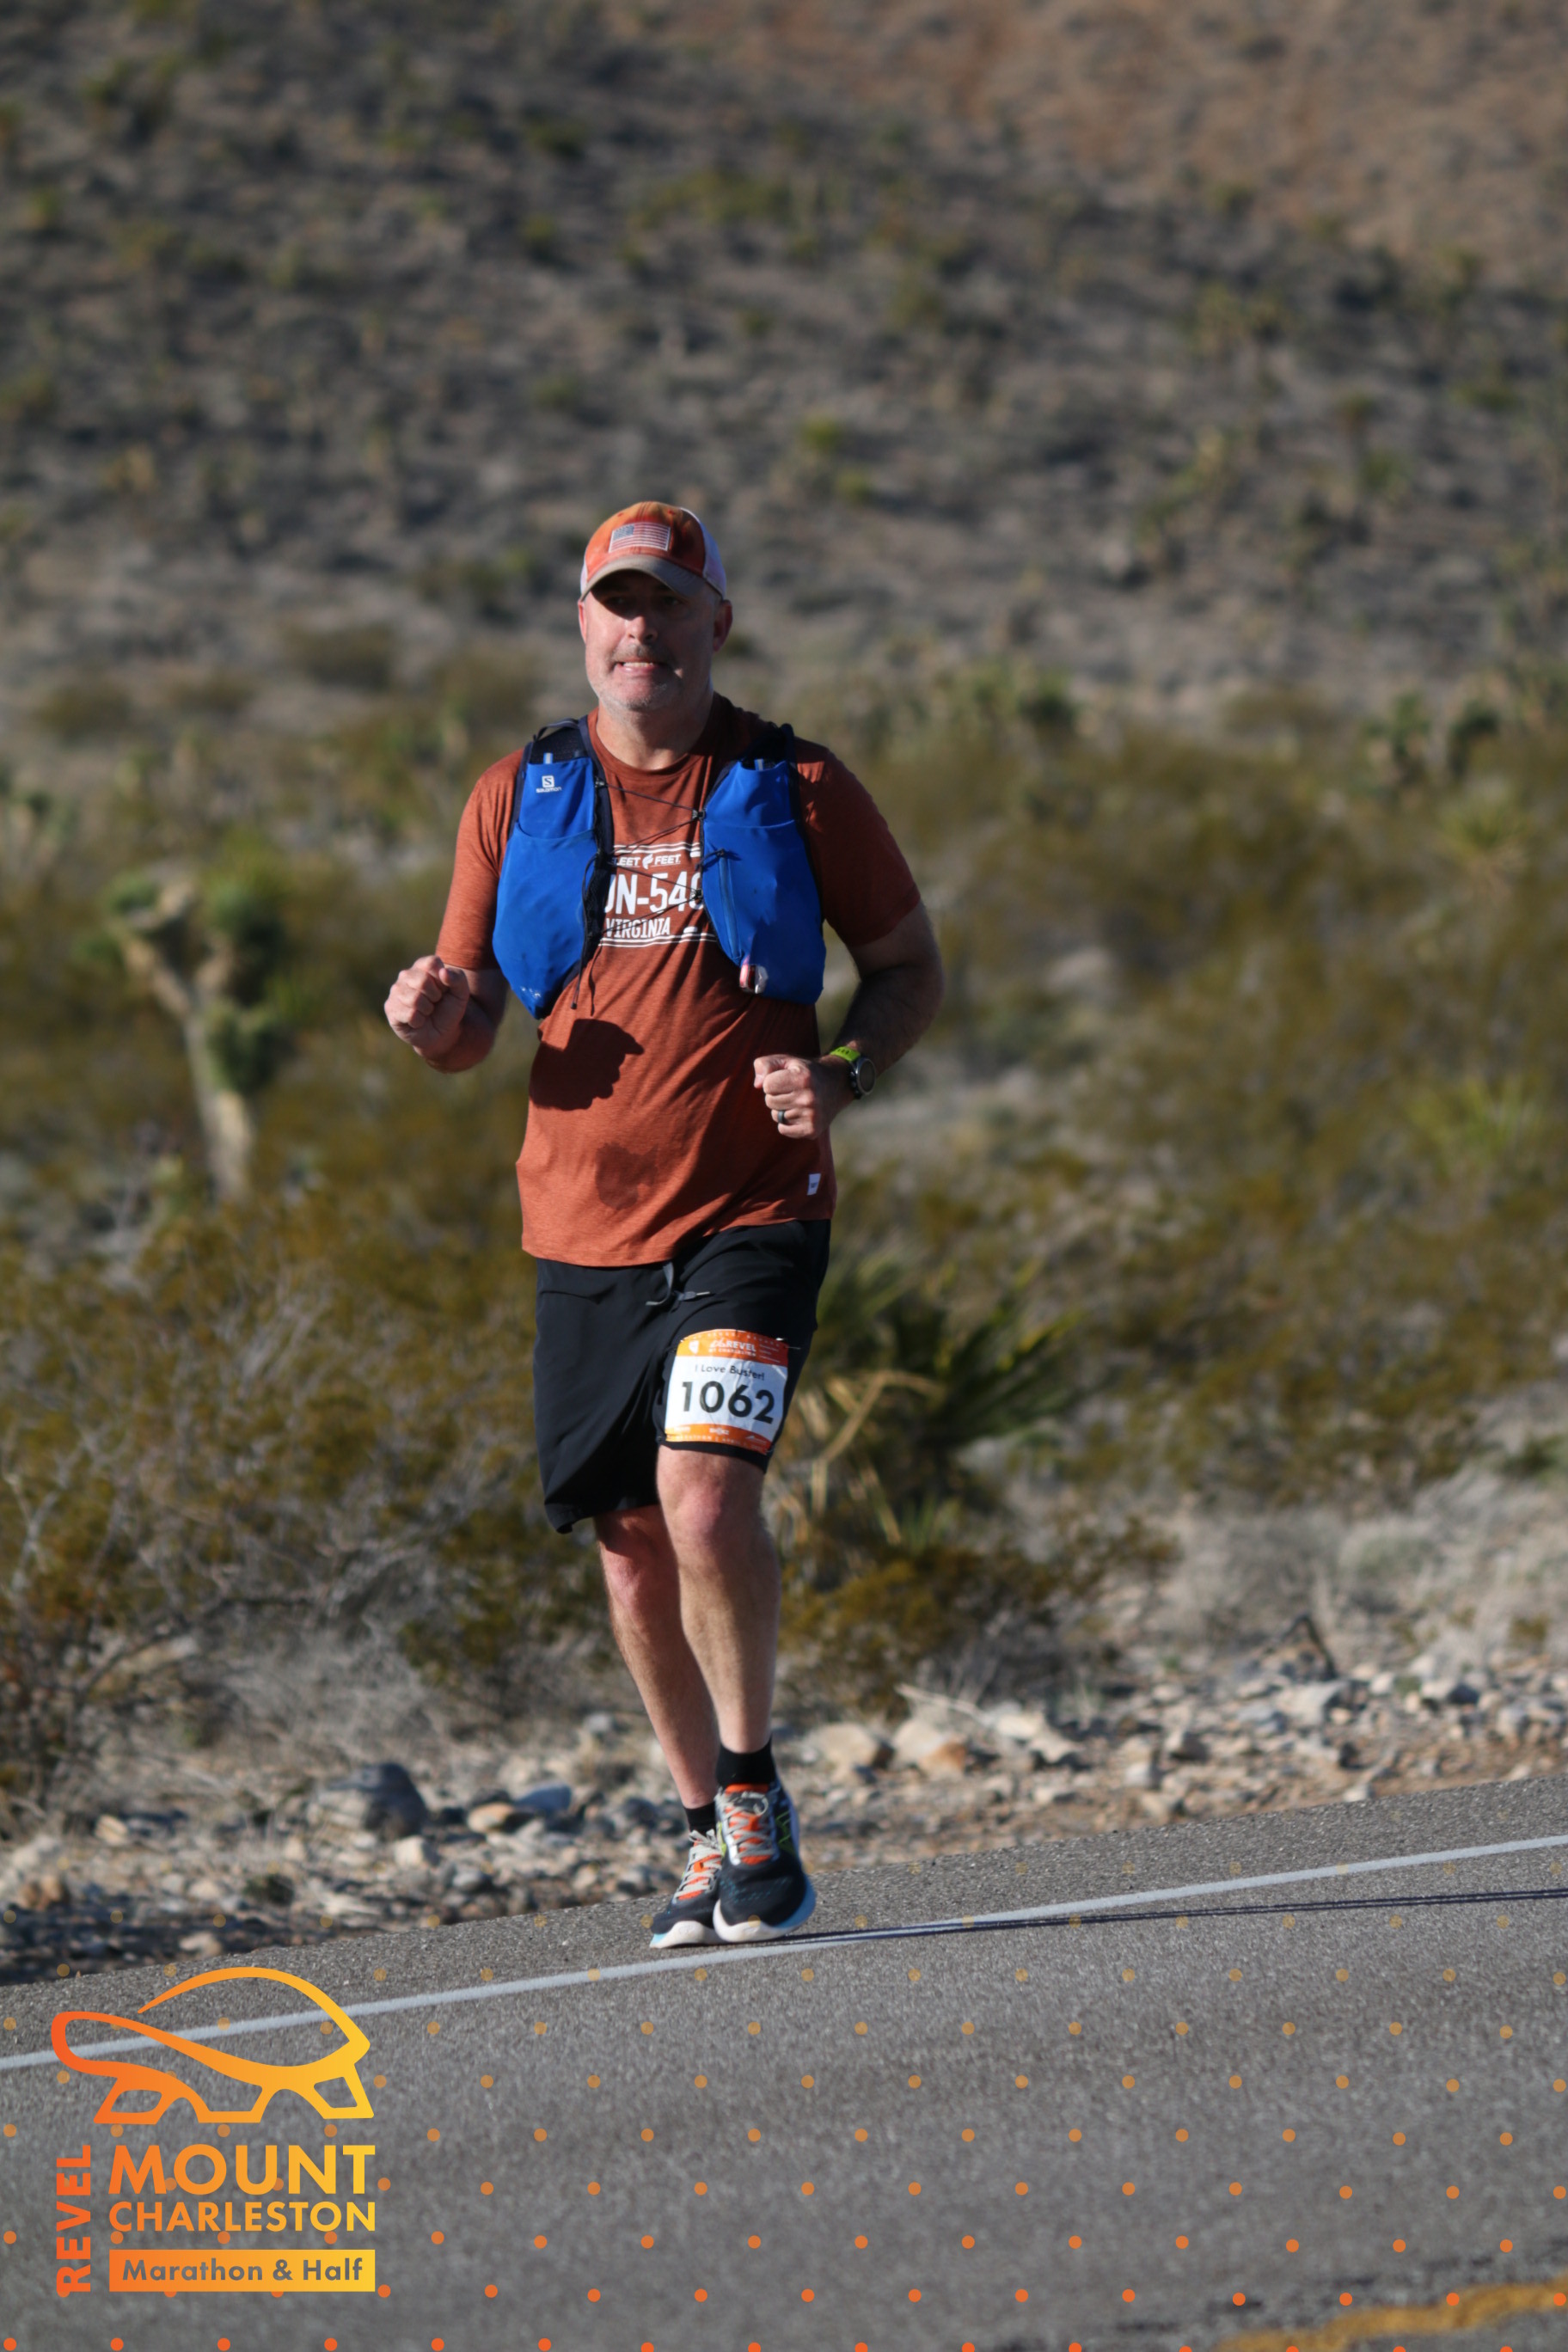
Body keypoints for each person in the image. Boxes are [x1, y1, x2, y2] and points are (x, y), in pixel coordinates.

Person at [384, 502, 943, 1945]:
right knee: (631, 1542)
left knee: (703, 1498)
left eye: (671, 605)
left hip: (754, 1208)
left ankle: (754, 1802)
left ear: (716, 626)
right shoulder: (518, 794)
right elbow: (469, 1022)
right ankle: (703, 1829)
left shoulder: (798, 784)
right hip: (579, 1225)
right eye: (619, 605)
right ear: (585, 626)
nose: (645, 631)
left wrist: (843, 1074)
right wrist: (433, 1022)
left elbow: (907, 966)